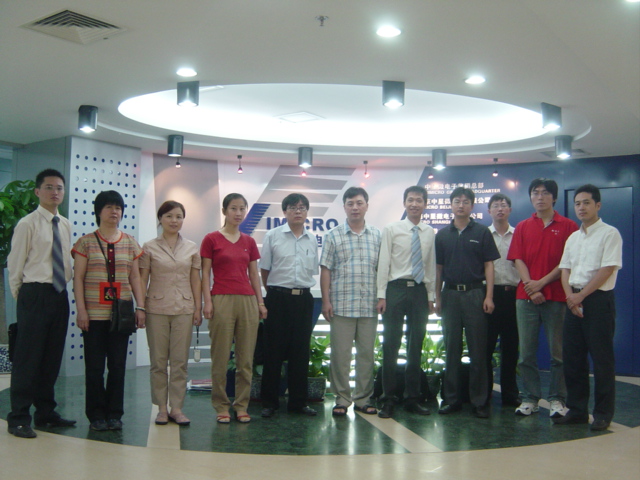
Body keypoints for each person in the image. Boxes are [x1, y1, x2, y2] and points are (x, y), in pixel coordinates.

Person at [6, 169, 76, 438]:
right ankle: (18, 417)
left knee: (51, 357)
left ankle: (46, 413)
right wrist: (23, 296)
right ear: (37, 191)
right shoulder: (28, 224)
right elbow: (15, 263)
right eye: (49, 187)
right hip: (34, 293)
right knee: (28, 358)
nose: (54, 192)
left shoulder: (65, 224)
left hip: (59, 294)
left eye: (59, 188)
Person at [72, 190, 146, 432]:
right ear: (98, 211)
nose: (115, 212)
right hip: (93, 315)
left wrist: (140, 307)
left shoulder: (130, 242)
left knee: (117, 366)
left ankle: (115, 414)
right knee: (94, 368)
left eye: (118, 207)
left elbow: (135, 277)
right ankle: (96, 415)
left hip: (121, 315)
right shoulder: (85, 242)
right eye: (109, 207)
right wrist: (81, 310)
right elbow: (78, 278)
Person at [507, 178, 578, 417]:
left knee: (558, 354)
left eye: (545, 193)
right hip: (525, 298)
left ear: (554, 198)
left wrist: (542, 283)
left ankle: (557, 399)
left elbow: (567, 262)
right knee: (526, 353)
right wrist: (531, 287)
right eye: (535, 193)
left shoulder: (568, 226)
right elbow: (517, 259)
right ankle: (530, 398)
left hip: (557, 297)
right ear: (530, 197)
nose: (540, 197)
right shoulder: (523, 226)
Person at [554, 184, 622, 431]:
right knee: (573, 359)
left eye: (586, 203)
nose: (581, 207)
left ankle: (602, 414)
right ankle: (577, 410)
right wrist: (571, 297)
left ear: (598, 205)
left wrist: (580, 295)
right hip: (573, 299)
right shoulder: (573, 237)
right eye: (577, 203)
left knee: (602, 360)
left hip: (598, 301)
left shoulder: (610, 234)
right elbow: (565, 269)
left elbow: (607, 269)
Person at [201, 193, 267, 424]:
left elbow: (254, 275)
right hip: (221, 299)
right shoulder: (211, 239)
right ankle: (221, 405)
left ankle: (241, 405)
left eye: (242, 209)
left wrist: (260, 302)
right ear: (224, 211)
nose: (238, 213)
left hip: (247, 301)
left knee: (245, 359)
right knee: (220, 358)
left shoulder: (249, 242)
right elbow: (205, 274)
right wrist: (208, 301)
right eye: (233, 208)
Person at [435, 187, 500, 419]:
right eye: (457, 201)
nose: (460, 205)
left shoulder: (482, 232)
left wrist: (489, 296)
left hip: (475, 294)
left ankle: (479, 401)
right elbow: (438, 269)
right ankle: (451, 399)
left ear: (472, 206)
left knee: (478, 350)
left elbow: (489, 266)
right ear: (451, 205)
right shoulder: (442, 235)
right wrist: (437, 297)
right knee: (451, 349)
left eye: (465, 202)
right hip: (450, 295)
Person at [139, 200, 202, 427]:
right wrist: (141, 307)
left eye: (178, 216)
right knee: (158, 362)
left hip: (184, 309)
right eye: (169, 216)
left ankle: (176, 408)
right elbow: (142, 279)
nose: (174, 221)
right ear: (160, 219)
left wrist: (198, 307)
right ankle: (161, 409)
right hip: (156, 309)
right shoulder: (149, 247)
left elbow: (196, 279)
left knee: (179, 362)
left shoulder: (192, 247)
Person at [376, 186, 436, 419]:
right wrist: (382, 295)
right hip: (395, 290)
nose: (414, 204)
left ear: (425, 204)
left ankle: (412, 398)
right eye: (410, 200)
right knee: (390, 345)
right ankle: (388, 399)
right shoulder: (392, 229)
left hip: (419, 291)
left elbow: (430, 266)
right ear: (404, 203)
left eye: (419, 200)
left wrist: (430, 296)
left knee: (415, 344)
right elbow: (383, 262)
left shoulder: (429, 232)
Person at [320, 187, 381, 416]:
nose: (355, 207)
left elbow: (382, 270)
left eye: (359, 203)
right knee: (340, 355)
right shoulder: (333, 235)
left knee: (366, 355)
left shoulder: (377, 235)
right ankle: (342, 399)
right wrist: (326, 301)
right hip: (341, 305)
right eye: (350, 203)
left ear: (366, 206)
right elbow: (326, 270)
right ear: (344, 207)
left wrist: (382, 297)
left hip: (369, 306)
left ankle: (363, 398)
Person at [260, 193, 319, 418]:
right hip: (278, 298)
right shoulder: (273, 235)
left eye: (302, 207)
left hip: (303, 299)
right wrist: (272, 294)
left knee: (300, 353)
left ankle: (298, 402)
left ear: (307, 212)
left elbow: (312, 270)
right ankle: (269, 402)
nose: (298, 211)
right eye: (293, 207)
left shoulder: (311, 239)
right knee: (273, 352)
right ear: (284, 211)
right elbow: (265, 269)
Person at [485, 193, 521, 407]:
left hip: (513, 295)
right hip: (489, 296)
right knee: (487, 346)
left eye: (504, 205)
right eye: (496, 205)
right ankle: (485, 392)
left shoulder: (518, 235)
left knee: (511, 347)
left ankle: (510, 393)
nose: (500, 209)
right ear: (489, 210)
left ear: (510, 210)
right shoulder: (483, 235)